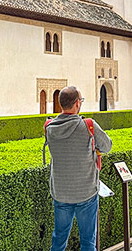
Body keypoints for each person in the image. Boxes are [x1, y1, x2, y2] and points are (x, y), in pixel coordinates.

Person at [45, 86, 113, 251]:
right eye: (81, 100)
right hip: (86, 192)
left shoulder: (49, 127)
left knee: (59, 239)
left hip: (61, 192)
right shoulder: (88, 125)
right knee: (88, 242)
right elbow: (107, 146)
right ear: (76, 104)